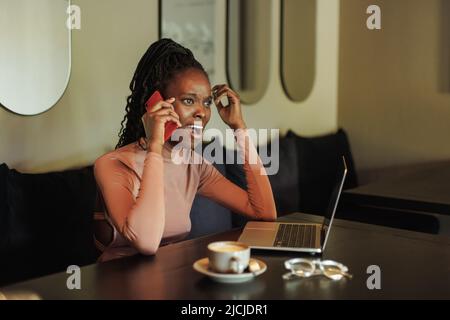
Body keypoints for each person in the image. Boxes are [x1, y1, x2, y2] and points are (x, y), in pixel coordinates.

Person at [93, 39, 276, 262]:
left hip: (172, 279)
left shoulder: (194, 166)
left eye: (207, 103)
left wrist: (239, 127)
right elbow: (147, 242)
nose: (202, 112)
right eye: (189, 100)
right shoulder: (113, 164)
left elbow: (264, 213)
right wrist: (155, 146)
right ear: (155, 104)